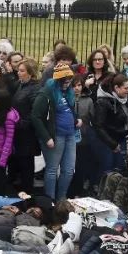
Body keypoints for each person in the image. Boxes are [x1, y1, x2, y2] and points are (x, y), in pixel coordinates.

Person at [32, 62, 80, 200]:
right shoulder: (46, 93)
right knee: (52, 170)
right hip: (55, 136)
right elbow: (35, 116)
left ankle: (61, 199)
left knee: (69, 170)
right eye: (64, 81)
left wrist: (76, 119)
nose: (67, 83)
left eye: (69, 80)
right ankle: (50, 201)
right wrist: (47, 137)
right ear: (57, 80)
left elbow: (70, 110)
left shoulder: (68, 92)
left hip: (70, 135)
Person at [9, 58, 42, 194]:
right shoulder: (20, 85)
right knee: (16, 166)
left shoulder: (35, 89)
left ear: (31, 73)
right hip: (17, 133)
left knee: (26, 169)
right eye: (19, 70)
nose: (18, 73)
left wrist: (20, 123)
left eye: (22, 71)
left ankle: (28, 197)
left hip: (26, 135)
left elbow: (35, 113)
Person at [91, 74, 128, 177]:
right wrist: (112, 144)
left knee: (118, 171)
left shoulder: (123, 100)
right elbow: (98, 126)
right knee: (107, 171)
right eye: (126, 88)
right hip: (107, 142)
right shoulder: (102, 102)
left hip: (120, 139)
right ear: (116, 88)